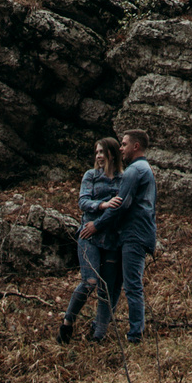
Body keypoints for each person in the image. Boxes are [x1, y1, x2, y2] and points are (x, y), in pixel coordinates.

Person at [57, 138, 123, 344]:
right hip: (89, 235)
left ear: (112, 153)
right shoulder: (91, 176)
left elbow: (121, 209)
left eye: (102, 152)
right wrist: (103, 205)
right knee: (90, 281)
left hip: (112, 240)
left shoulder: (123, 179)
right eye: (96, 152)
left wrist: (103, 220)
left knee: (107, 288)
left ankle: (98, 335)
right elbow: (82, 202)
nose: (98, 156)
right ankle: (67, 323)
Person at [96, 128, 157, 342]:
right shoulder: (144, 169)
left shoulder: (135, 171)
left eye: (124, 144)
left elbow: (121, 205)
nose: (121, 148)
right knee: (123, 284)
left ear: (136, 146)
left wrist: (97, 225)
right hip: (137, 234)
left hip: (134, 235)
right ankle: (101, 328)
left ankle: (135, 336)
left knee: (132, 286)